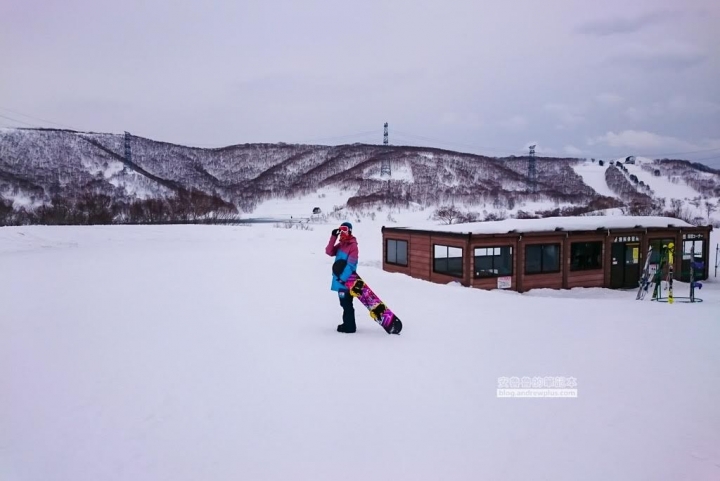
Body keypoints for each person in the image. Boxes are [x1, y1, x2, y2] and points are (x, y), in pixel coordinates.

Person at [325, 221, 359, 333]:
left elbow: (351, 265)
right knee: (344, 303)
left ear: (349, 231)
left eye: (345, 229)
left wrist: (342, 279)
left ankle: (350, 327)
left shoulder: (353, 246)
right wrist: (333, 237)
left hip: (347, 281)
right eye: (341, 230)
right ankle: (347, 324)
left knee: (346, 303)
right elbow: (329, 251)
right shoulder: (341, 245)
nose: (342, 232)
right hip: (340, 281)